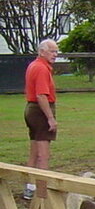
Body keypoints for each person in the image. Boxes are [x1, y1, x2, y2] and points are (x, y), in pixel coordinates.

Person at [23, 39, 59, 199]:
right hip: (40, 111)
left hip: (31, 109)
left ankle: (30, 187)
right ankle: (43, 190)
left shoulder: (34, 65)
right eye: (52, 51)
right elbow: (41, 95)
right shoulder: (41, 68)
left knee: (34, 151)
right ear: (42, 51)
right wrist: (50, 118)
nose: (55, 55)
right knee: (43, 155)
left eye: (56, 51)